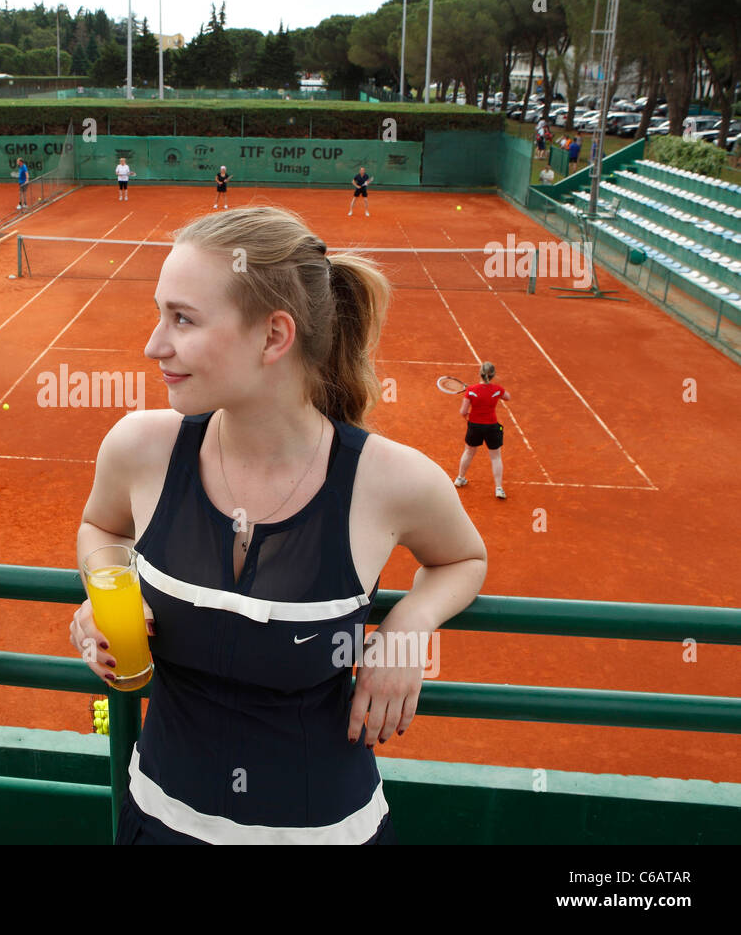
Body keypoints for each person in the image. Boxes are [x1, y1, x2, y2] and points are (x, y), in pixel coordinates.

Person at [68, 206, 487, 845]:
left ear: (273, 336)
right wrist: (99, 596)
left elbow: (462, 559)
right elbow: (100, 527)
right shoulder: (138, 447)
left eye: (182, 318)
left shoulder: (393, 480)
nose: (154, 345)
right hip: (159, 821)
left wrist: (407, 627)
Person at [453, 361, 510, 500]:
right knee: (496, 457)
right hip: (491, 426)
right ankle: (499, 488)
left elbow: (463, 411)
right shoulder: (497, 389)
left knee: (469, 451)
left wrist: (468, 417)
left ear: (480, 373)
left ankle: (460, 478)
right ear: (493, 375)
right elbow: (507, 397)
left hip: (474, 426)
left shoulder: (471, 390)